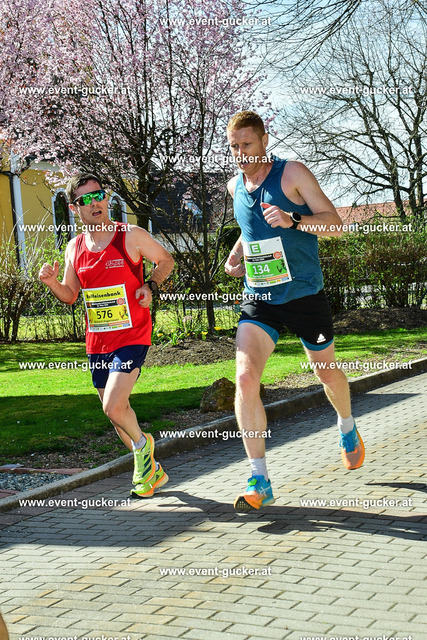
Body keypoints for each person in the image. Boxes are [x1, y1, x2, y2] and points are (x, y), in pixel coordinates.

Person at [225, 111, 365, 513]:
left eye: (247, 144)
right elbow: (249, 228)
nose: (241, 153)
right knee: (245, 378)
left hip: (304, 294)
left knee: (326, 372)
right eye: (234, 147)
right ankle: (260, 479)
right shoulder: (235, 185)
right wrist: (236, 256)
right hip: (260, 297)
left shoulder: (292, 174)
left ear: (264, 140)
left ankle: (347, 426)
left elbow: (335, 225)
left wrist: (294, 219)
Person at [39, 173, 174, 498]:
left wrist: (150, 285)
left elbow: (165, 260)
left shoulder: (130, 235)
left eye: (98, 195)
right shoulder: (74, 248)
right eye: (85, 199)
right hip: (98, 341)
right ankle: (151, 471)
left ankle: (143, 445)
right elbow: (71, 294)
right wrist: (52, 283)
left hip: (132, 335)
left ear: (106, 198)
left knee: (113, 407)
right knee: (117, 415)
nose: (94, 202)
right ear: (74, 208)